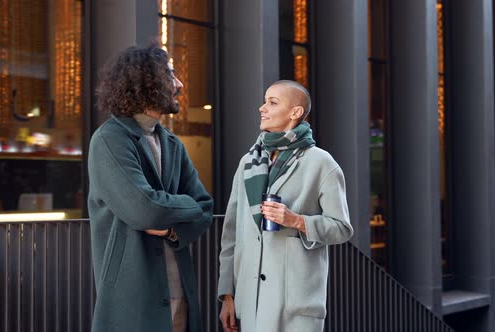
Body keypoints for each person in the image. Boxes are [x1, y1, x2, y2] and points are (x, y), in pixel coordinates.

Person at [87, 44, 213, 332]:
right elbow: (145, 210)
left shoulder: (171, 143)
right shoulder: (110, 140)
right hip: (133, 299)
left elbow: (205, 207)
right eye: (170, 75)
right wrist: (187, 206)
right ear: (146, 82)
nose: (178, 84)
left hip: (180, 293)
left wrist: (172, 229)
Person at [217, 80, 354, 331]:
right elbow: (231, 234)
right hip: (250, 303)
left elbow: (342, 228)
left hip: (294, 306)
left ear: (295, 112)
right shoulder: (248, 162)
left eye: (272, 102)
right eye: (264, 101)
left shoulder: (321, 163)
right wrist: (227, 295)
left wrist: (297, 221)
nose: (262, 108)